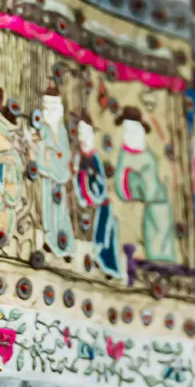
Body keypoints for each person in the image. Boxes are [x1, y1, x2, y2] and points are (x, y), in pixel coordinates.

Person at [115, 106, 178, 264]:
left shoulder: (148, 156)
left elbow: (150, 185)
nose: (129, 134)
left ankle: (162, 261)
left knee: (161, 238)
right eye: (127, 130)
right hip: (146, 202)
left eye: (133, 129)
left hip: (158, 202)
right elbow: (121, 183)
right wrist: (135, 189)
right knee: (152, 240)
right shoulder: (126, 155)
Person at [76, 113, 121, 278]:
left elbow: (100, 183)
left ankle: (107, 262)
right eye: (81, 132)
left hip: (98, 199)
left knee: (109, 223)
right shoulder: (79, 156)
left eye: (87, 132)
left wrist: (94, 185)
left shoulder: (94, 157)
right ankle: (100, 256)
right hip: (86, 200)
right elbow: (80, 182)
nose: (84, 137)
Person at [37, 84, 75, 257]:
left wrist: (62, 161)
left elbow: (65, 152)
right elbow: (41, 149)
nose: (49, 111)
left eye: (53, 107)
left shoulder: (62, 130)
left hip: (60, 175)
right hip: (48, 175)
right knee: (48, 210)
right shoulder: (43, 128)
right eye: (46, 107)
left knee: (61, 213)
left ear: (59, 108)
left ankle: (65, 245)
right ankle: (51, 241)